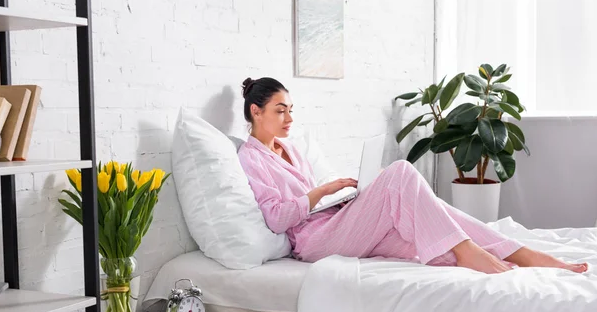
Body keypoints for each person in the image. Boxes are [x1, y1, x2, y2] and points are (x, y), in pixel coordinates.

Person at [237, 77, 588, 274]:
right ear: (256, 111)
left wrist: (340, 199)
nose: (289, 119)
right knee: (401, 172)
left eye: (291, 111)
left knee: (428, 234)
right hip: (316, 241)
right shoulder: (251, 158)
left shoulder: (293, 148)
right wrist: (321, 191)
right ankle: (473, 252)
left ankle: (523, 257)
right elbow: (277, 217)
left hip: (336, 221)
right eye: (280, 111)